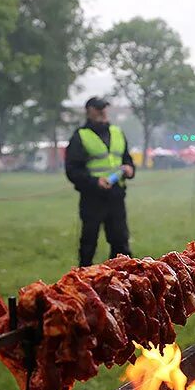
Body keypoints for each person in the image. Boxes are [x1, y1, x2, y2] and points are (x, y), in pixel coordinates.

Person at [65, 96, 136, 267]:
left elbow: (127, 158)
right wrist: (95, 181)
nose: (103, 112)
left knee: (121, 243)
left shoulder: (118, 133)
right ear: (89, 111)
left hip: (116, 196)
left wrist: (130, 169)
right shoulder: (80, 136)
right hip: (92, 198)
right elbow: (72, 170)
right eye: (98, 108)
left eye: (104, 108)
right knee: (88, 244)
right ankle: (83, 281)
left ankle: (122, 280)